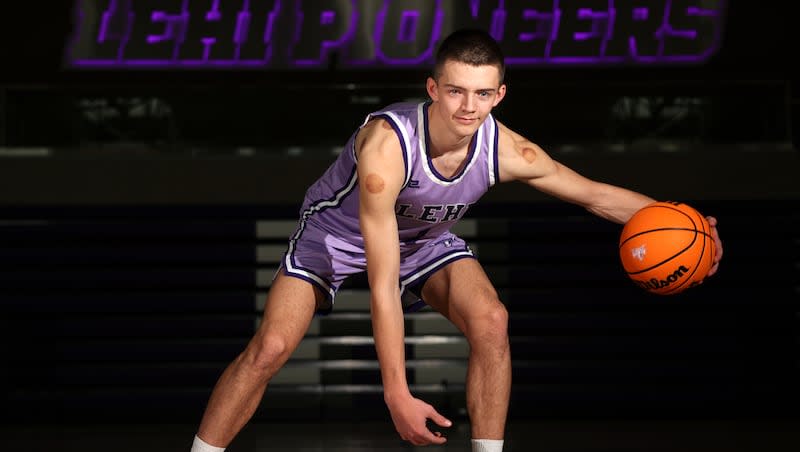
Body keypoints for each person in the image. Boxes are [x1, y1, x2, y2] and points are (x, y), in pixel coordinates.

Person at [190, 28, 724, 452]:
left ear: (500, 94)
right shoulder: (387, 150)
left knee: (492, 320)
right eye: (456, 91)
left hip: (423, 237)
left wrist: (691, 221)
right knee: (271, 348)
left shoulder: (509, 149)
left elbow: (595, 196)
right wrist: (396, 393)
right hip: (336, 234)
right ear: (433, 88)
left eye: (483, 94)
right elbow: (382, 285)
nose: (468, 107)